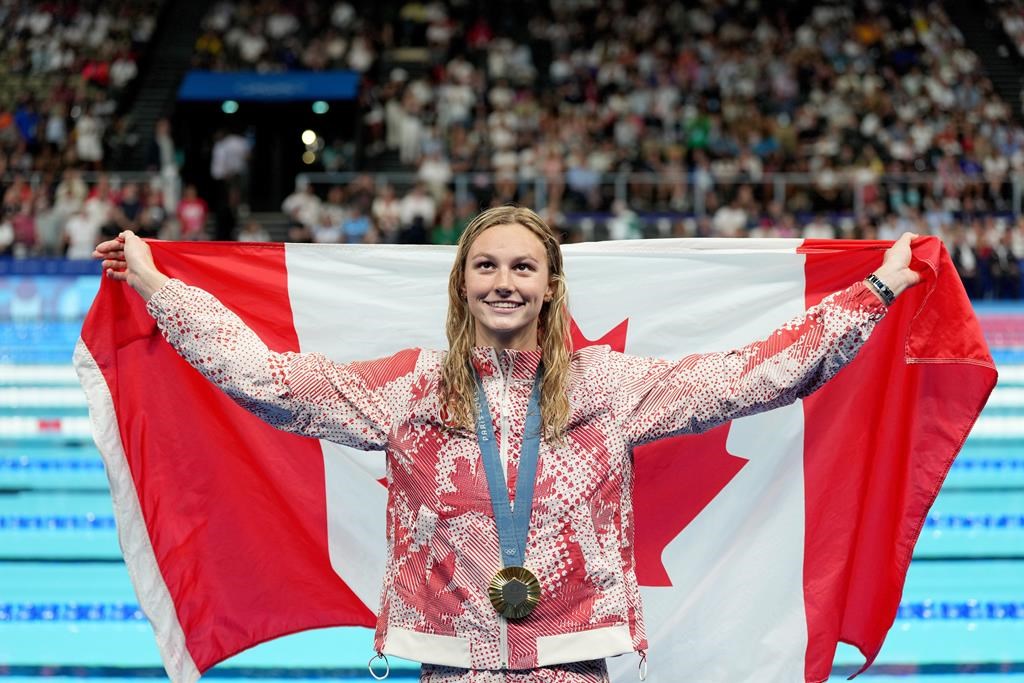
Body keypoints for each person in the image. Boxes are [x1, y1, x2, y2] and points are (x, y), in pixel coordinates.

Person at [94, 206, 920, 682]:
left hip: (574, 657)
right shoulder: (409, 391)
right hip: (448, 660)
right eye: (485, 265)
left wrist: (877, 288)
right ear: (462, 283)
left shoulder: (606, 387)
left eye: (523, 267)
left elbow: (753, 375)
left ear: (550, 283)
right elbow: (266, 380)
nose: (503, 281)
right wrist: (158, 285)